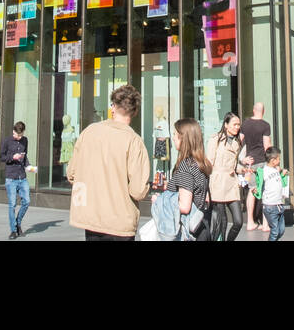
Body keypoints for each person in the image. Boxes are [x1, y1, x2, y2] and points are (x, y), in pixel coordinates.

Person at [65, 85, 151, 240]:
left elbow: (71, 174)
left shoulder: (89, 132)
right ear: (135, 111)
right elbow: (138, 190)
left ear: (113, 107)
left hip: (91, 217)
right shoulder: (134, 141)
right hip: (120, 221)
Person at [164, 117, 211, 240]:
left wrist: (160, 201)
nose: (173, 138)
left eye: (175, 134)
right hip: (200, 228)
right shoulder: (201, 164)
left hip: (186, 231)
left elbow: (185, 206)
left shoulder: (186, 166)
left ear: (184, 139)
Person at [208, 111, 251, 241]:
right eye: (234, 124)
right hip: (218, 183)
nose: (237, 127)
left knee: (238, 221)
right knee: (221, 222)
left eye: (239, 125)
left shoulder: (237, 143)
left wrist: (243, 170)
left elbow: (232, 165)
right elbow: (209, 162)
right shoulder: (215, 139)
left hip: (231, 184)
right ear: (226, 124)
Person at [240, 102, 272, 231]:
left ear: (254, 110)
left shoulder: (245, 124)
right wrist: (273, 162)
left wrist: (242, 159)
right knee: (264, 191)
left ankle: (250, 222)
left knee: (252, 191)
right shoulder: (265, 125)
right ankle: (265, 224)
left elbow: (239, 142)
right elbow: (267, 146)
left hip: (249, 163)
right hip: (262, 162)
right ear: (263, 111)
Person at [254, 146, 291, 242]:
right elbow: (259, 184)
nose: (279, 160)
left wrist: (282, 174)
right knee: (275, 231)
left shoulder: (276, 170)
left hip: (279, 205)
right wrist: (256, 191)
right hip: (269, 206)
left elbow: (280, 183)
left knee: (281, 230)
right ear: (272, 160)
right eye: (278, 159)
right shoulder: (264, 171)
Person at [2, 121, 31, 239]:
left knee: (27, 201)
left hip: (22, 176)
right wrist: (12, 157)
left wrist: (28, 166)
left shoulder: (25, 140)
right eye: (16, 135)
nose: (18, 137)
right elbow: (2, 157)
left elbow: (25, 156)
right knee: (12, 204)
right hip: (11, 177)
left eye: (20, 135)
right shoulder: (7, 141)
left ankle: (18, 223)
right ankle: (13, 230)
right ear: (13, 131)